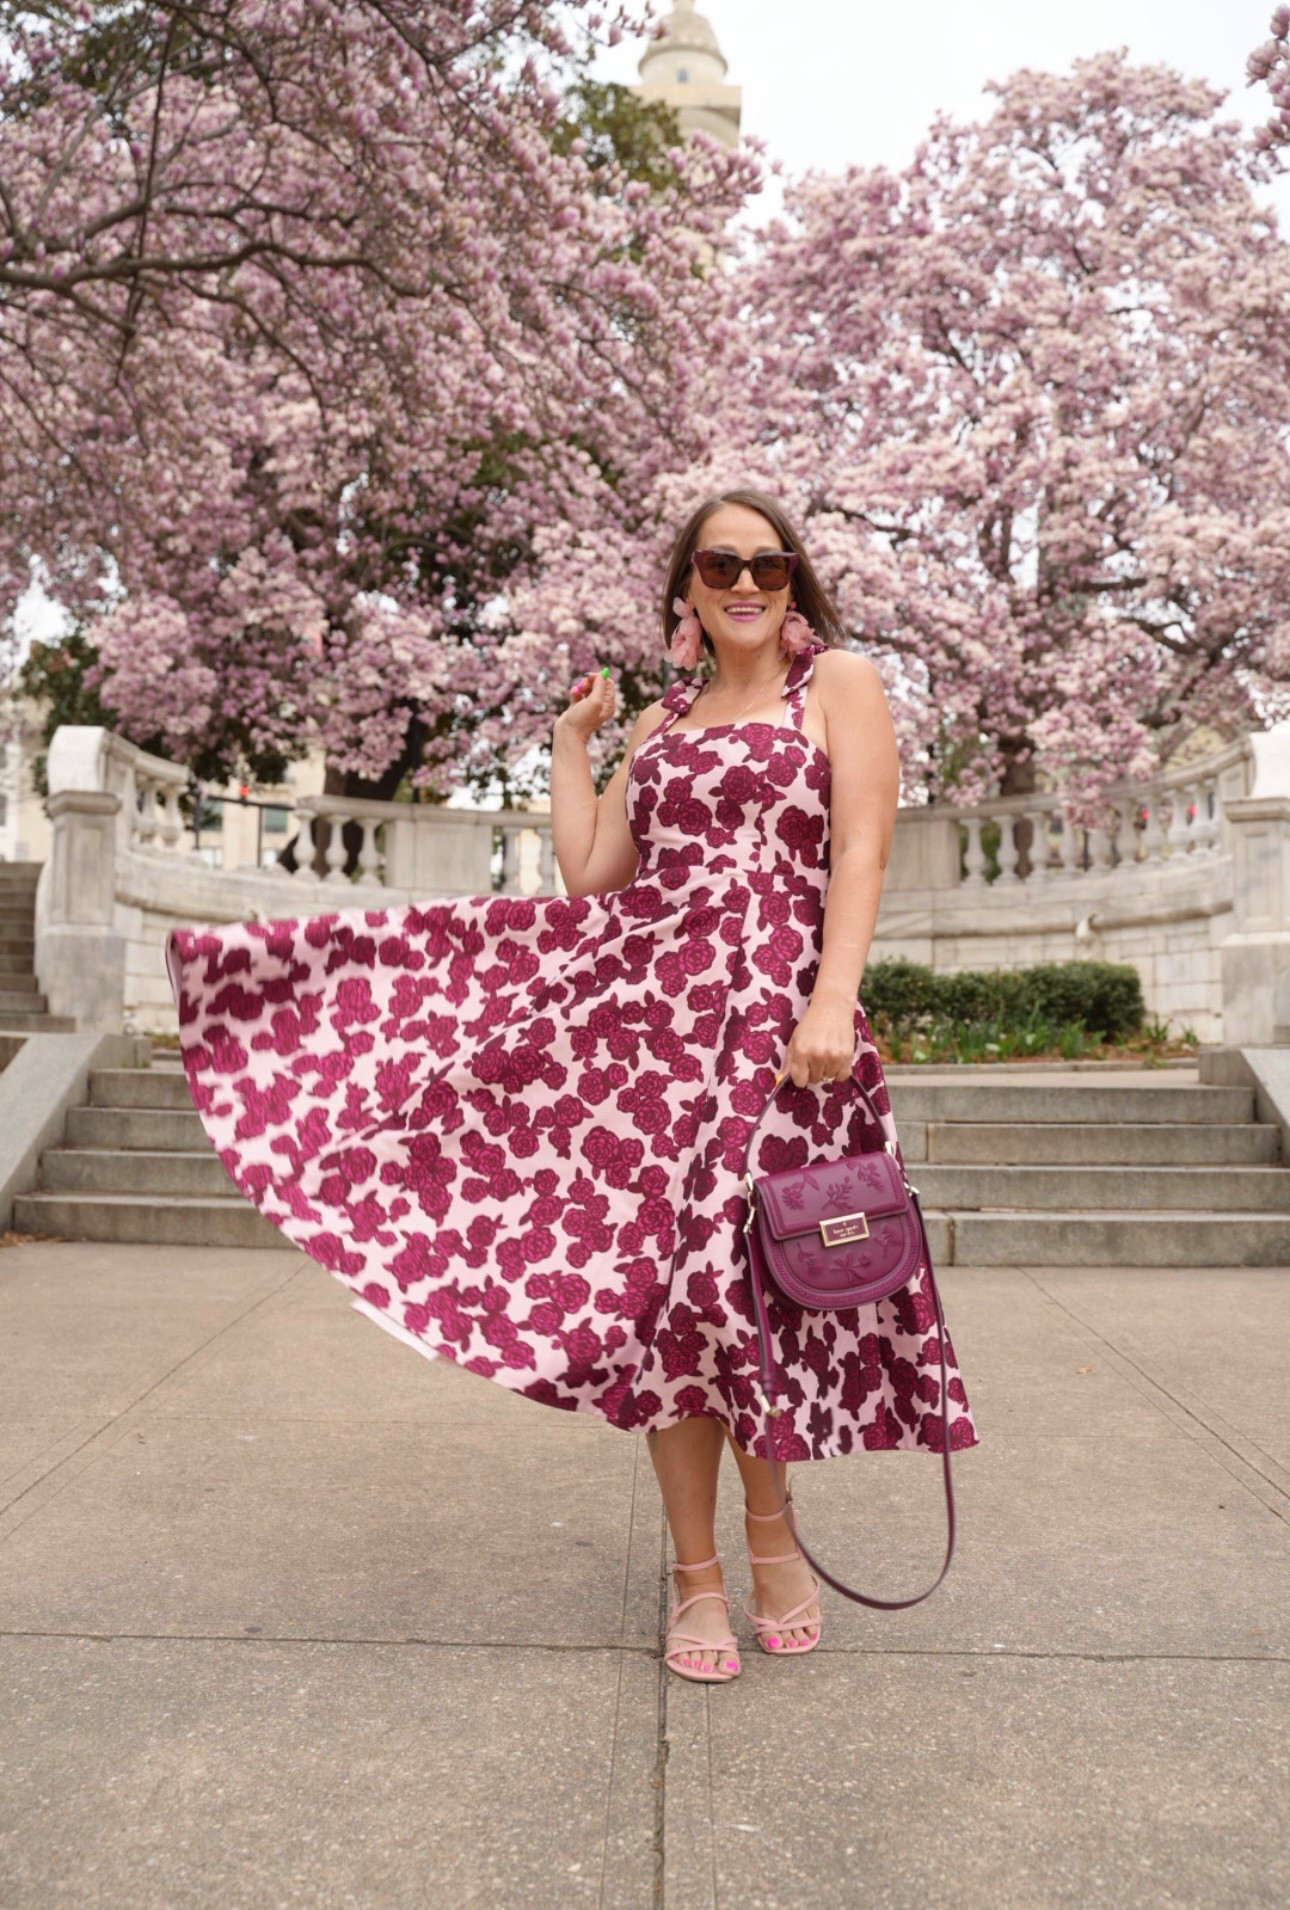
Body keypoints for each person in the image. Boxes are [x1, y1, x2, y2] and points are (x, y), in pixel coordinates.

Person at [165, 487, 979, 1690]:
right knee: (663, 1301)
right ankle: (699, 1572)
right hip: (644, 1031)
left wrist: (828, 997)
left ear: (794, 578)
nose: (746, 579)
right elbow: (595, 874)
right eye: (720, 562)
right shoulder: (667, 717)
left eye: (767, 561)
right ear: (687, 588)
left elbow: (859, 847)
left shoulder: (839, 685)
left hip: (777, 1031)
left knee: (748, 1285)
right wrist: (572, 745)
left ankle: (771, 1535)